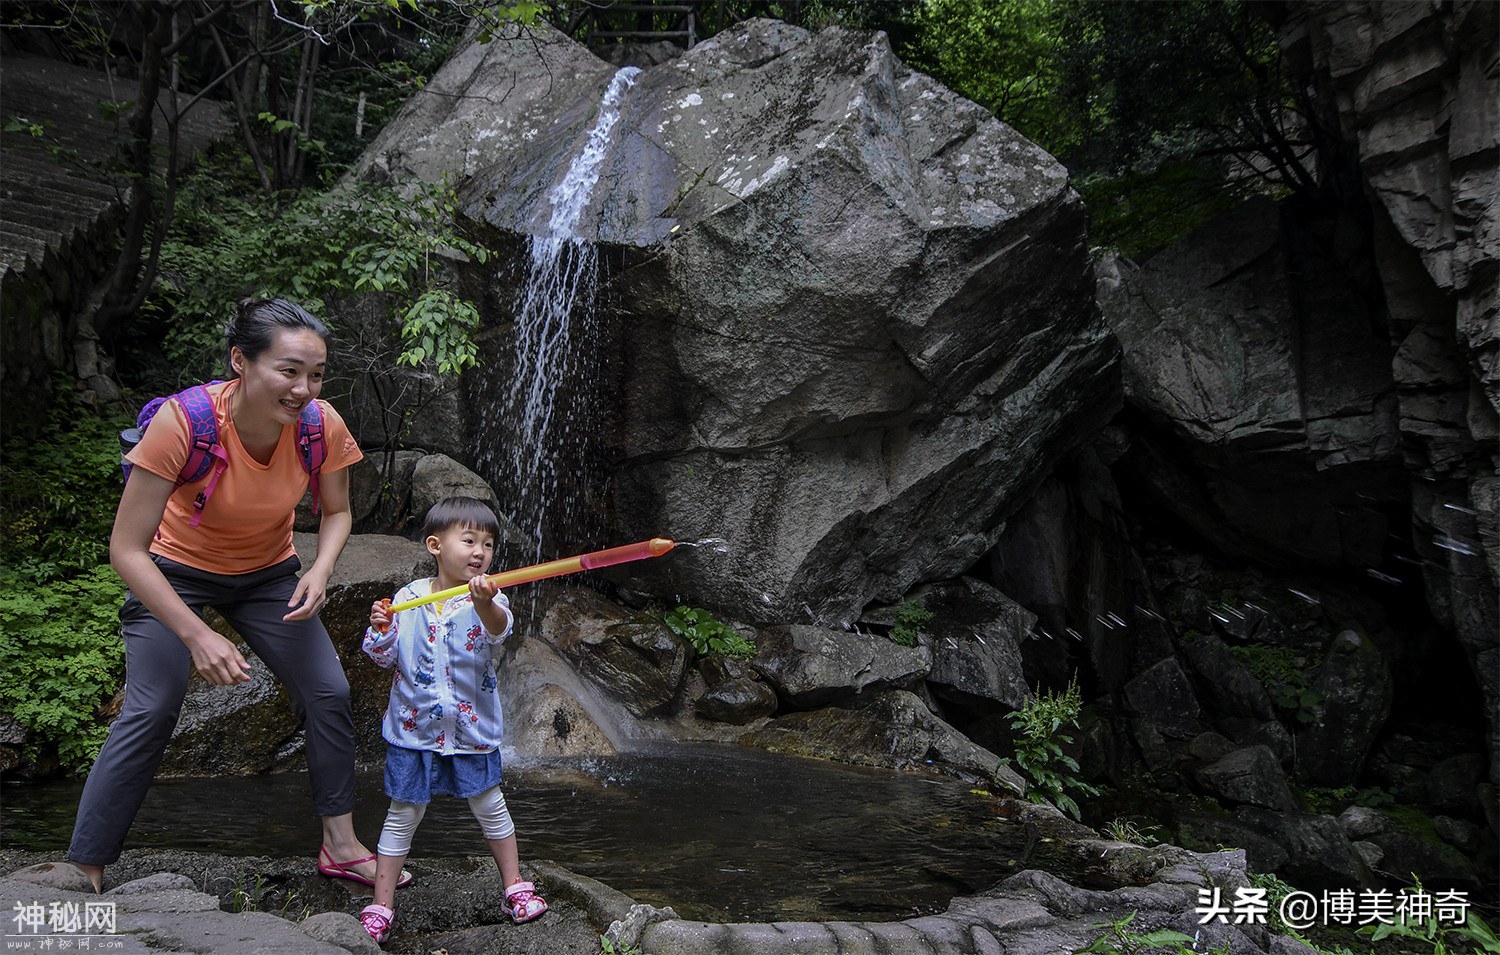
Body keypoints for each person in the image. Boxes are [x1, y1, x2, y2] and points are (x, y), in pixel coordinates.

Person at [68, 298, 408, 893]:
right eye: (289, 370)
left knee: (328, 691)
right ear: (240, 362)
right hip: (173, 572)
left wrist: (322, 570)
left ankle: (341, 845)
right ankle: (86, 866)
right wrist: (196, 633)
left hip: (267, 573)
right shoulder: (184, 423)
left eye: (317, 374)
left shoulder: (320, 425)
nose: (304, 387)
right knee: (152, 706)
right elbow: (126, 549)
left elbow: (337, 510)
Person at [357, 496, 548, 943]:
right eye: (469, 541)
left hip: (471, 733)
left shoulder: (487, 598)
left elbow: (500, 630)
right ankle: (381, 904)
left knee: (491, 809)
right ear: (434, 545)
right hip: (414, 732)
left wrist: (484, 603)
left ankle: (515, 887)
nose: (480, 551)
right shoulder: (408, 598)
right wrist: (382, 627)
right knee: (402, 815)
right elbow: (381, 657)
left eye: (488, 543)